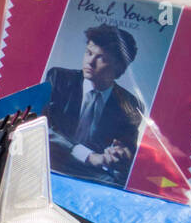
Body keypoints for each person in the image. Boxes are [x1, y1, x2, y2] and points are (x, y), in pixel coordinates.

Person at [43, 24, 145, 185]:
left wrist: (120, 154)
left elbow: (127, 147)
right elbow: (41, 127)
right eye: (89, 53)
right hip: (50, 160)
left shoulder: (131, 103)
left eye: (101, 58)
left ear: (119, 67)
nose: (90, 62)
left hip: (92, 176)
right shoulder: (58, 78)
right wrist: (89, 156)